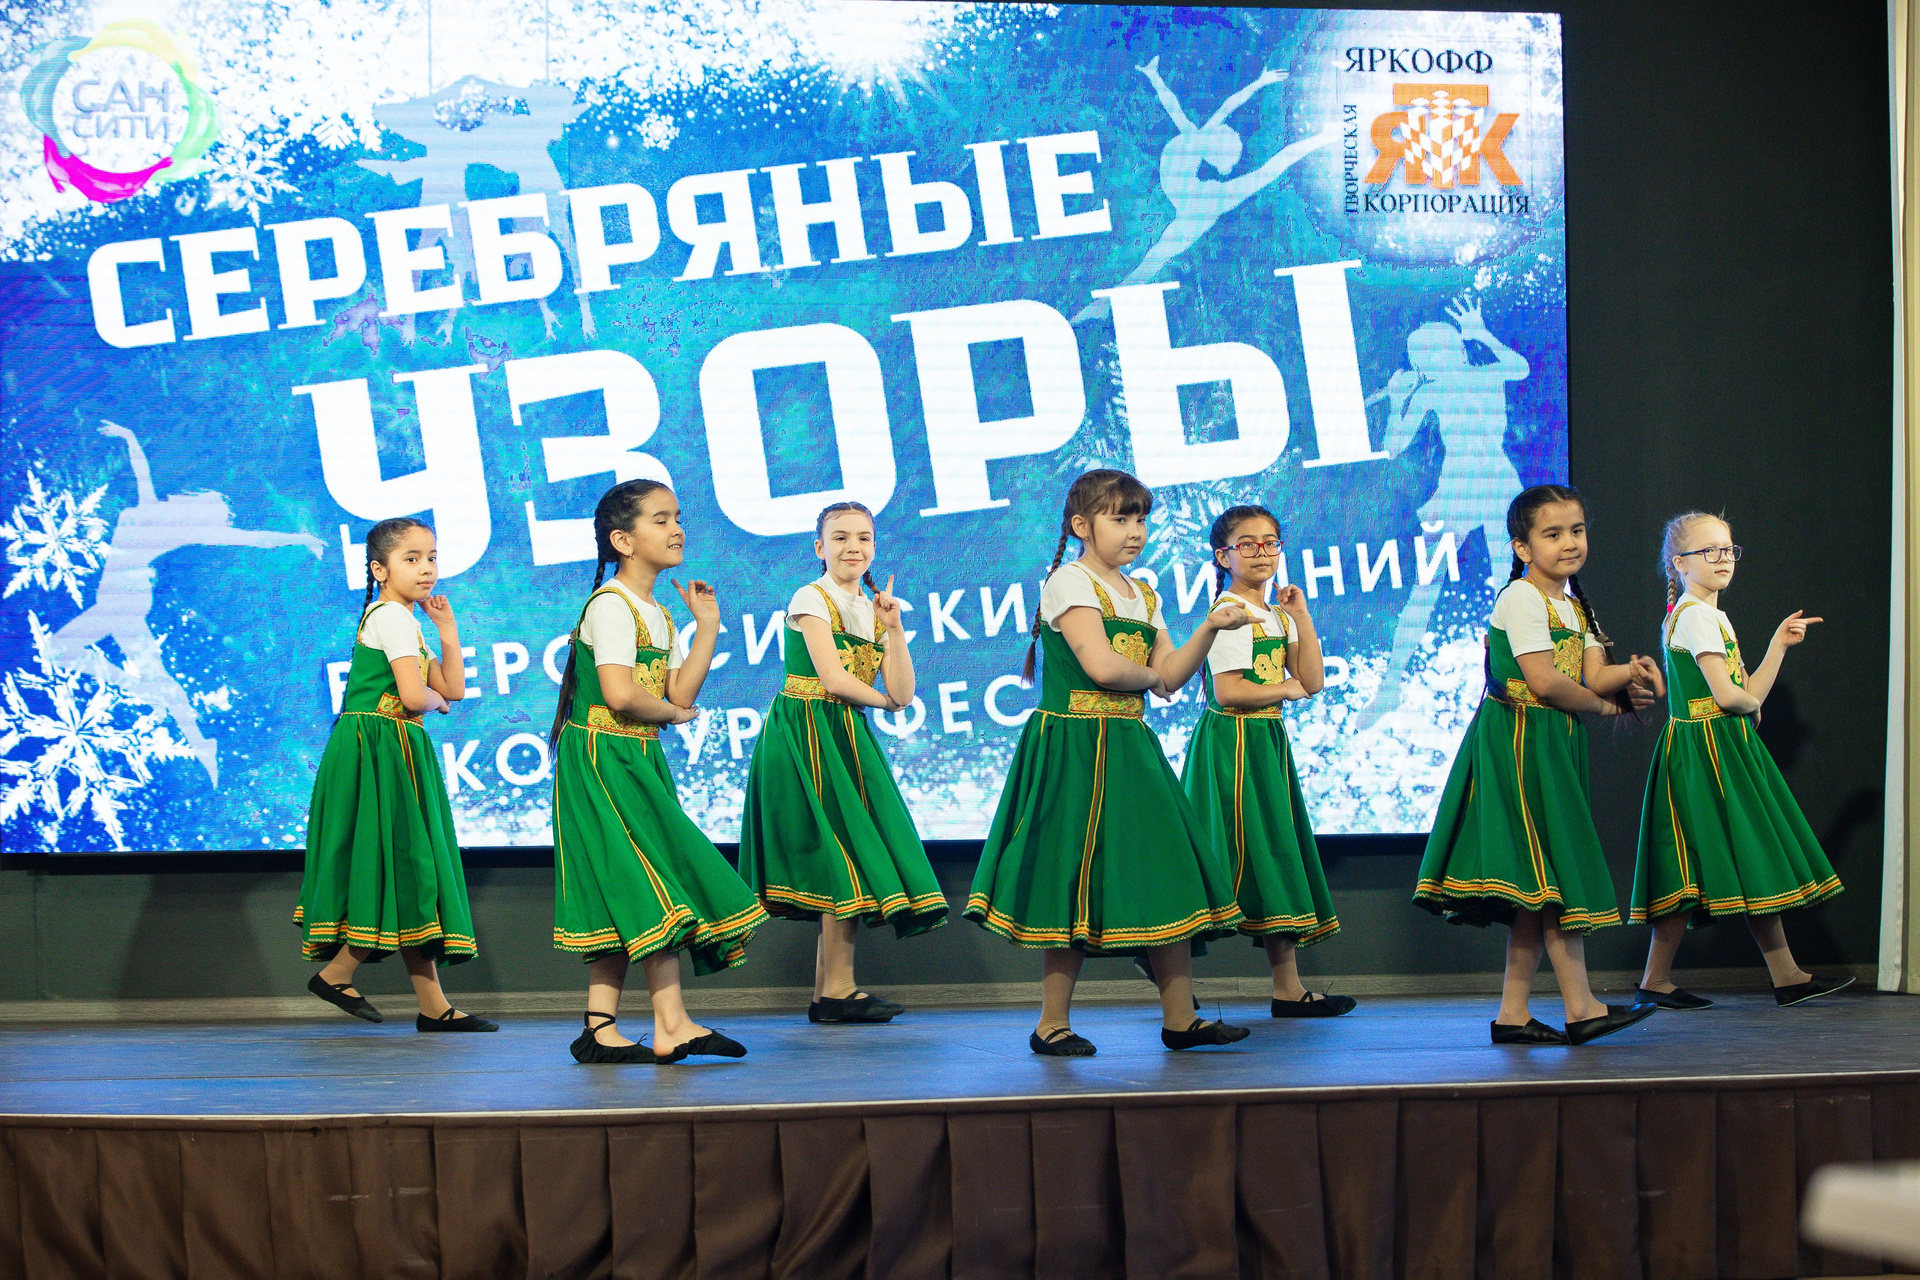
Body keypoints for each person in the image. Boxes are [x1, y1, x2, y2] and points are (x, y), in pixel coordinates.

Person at [966, 468, 1252, 1056]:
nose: (1134, 531)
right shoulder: (1070, 583)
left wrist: (1208, 628)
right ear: (1081, 525)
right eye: (1119, 519)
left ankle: (1181, 1019)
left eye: (1140, 519)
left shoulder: (1143, 593)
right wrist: (1152, 677)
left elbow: (1170, 676)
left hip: (1127, 743)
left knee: (1165, 868)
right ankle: (1051, 1022)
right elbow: (1102, 667)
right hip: (1075, 746)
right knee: (1072, 878)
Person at [1412, 485, 1661, 1046]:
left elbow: (1594, 674)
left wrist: (1632, 675)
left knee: (1538, 887)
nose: (1570, 542)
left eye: (1577, 530)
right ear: (1522, 547)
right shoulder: (1522, 598)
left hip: (1553, 741)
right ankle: (1582, 1007)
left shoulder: (1574, 604)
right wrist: (1605, 706)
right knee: (1553, 878)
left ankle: (1513, 1014)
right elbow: (1546, 682)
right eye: (1553, 534)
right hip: (1520, 740)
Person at [550, 480, 768, 1064]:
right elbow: (621, 694)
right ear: (623, 540)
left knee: (626, 887)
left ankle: (600, 1028)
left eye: (677, 517)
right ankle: (671, 1024)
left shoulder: (656, 611)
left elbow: (678, 691)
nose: (676, 529)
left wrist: (707, 626)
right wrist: (673, 714)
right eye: (660, 519)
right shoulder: (611, 604)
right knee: (651, 886)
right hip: (603, 758)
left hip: (637, 756)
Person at [738, 502, 947, 1025]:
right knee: (843, 855)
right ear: (820, 547)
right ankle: (836, 991)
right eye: (840, 537)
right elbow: (833, 679)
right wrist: (887, 704)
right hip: (807, 733)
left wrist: (893, 629)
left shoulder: (874, 608)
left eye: (863, 537)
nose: (853, 546)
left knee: (846, 857)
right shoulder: (811, 597)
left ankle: (830, 993)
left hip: (845, 733)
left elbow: (903, 690)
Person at [1630, 512, 1847, 1009]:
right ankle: (1775, 976)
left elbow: (1747, 692)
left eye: (1728, 550)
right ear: (1680, 563)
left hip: (1718, 745)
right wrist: (1749, 707)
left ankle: (1778, 976)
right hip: (1708, 750)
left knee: (1724, 858)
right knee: (1728, 854)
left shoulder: (1708, 615)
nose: (1723, 558)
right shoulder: (1695, 615)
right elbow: (1731, 697)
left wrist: (1777, 646)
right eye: (1710, 551)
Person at [297, 517, 495, 1032]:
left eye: (431, 557)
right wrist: (435, 703)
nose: (426, 568)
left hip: (392, 747)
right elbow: (416, 696)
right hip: (379, 749)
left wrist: (447, 631)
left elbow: (453, 688)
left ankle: (432, 1006)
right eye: (411, 559)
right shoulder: (391, 616)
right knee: (400, 866)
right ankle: (338, 974)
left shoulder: (405, 620)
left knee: (408, 869)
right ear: (379, 570)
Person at [53, 422, 325, 785]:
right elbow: (141, 469)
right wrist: (129, 437)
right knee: (95, 659)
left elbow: (253, 538)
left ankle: (158, 702)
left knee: (60, 649)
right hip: (119, 599)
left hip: (123, 599)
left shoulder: (177, 524)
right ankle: (198, 742)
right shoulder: (151, 508)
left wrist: (300, 538)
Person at [1181, 505, 1352, 1017]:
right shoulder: (1231, 611)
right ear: (1224, 556)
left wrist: (1301, 616)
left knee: (1275, 851)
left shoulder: (1276, 612)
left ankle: (1287, 989)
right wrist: (1284, 688)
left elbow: (1312, 680)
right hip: (1233, 745)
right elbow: (1230, 692)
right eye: (1247, 544)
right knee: (1226, 857)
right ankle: (1161, 952)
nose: (1261, 552)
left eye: (1270, 542)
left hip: (1264, 739)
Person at [1073, 59, 1335, 323]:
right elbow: (1225, 111)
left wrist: (1262, 85)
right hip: (1191, 200)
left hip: (1194, 205)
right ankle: (1104, 305)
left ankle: (1103, 305)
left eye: (1222, 133)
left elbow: (1266, 152)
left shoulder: (1200, 153)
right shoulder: (1199, 145)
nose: (1220, 126)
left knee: (1154, 259)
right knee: (1153, 259)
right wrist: (1259, 83)